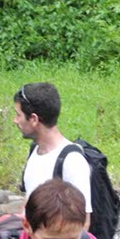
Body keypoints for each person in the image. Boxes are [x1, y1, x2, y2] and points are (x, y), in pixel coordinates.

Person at [15, 82, 92, 229]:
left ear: (34, 119)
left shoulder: (72, 161)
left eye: (18, 115)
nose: (15, 120)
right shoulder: (35, 151)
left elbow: (83, 224)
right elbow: (29, 202)